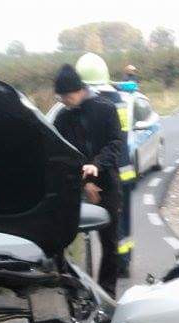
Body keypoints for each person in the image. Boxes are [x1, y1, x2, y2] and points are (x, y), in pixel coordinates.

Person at [52, 64, 125, 296]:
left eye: (66, 96)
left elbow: (115, 144)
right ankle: (74, 290)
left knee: (110, 243)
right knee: (67, 240)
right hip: (77, 185)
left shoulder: (105, 109)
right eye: (60, 97)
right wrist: (85, 183)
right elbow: (62, 153)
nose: (63, 101)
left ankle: (107, 293)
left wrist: (96, 166)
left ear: (78, 90)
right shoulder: (63, 118)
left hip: (108, 183)